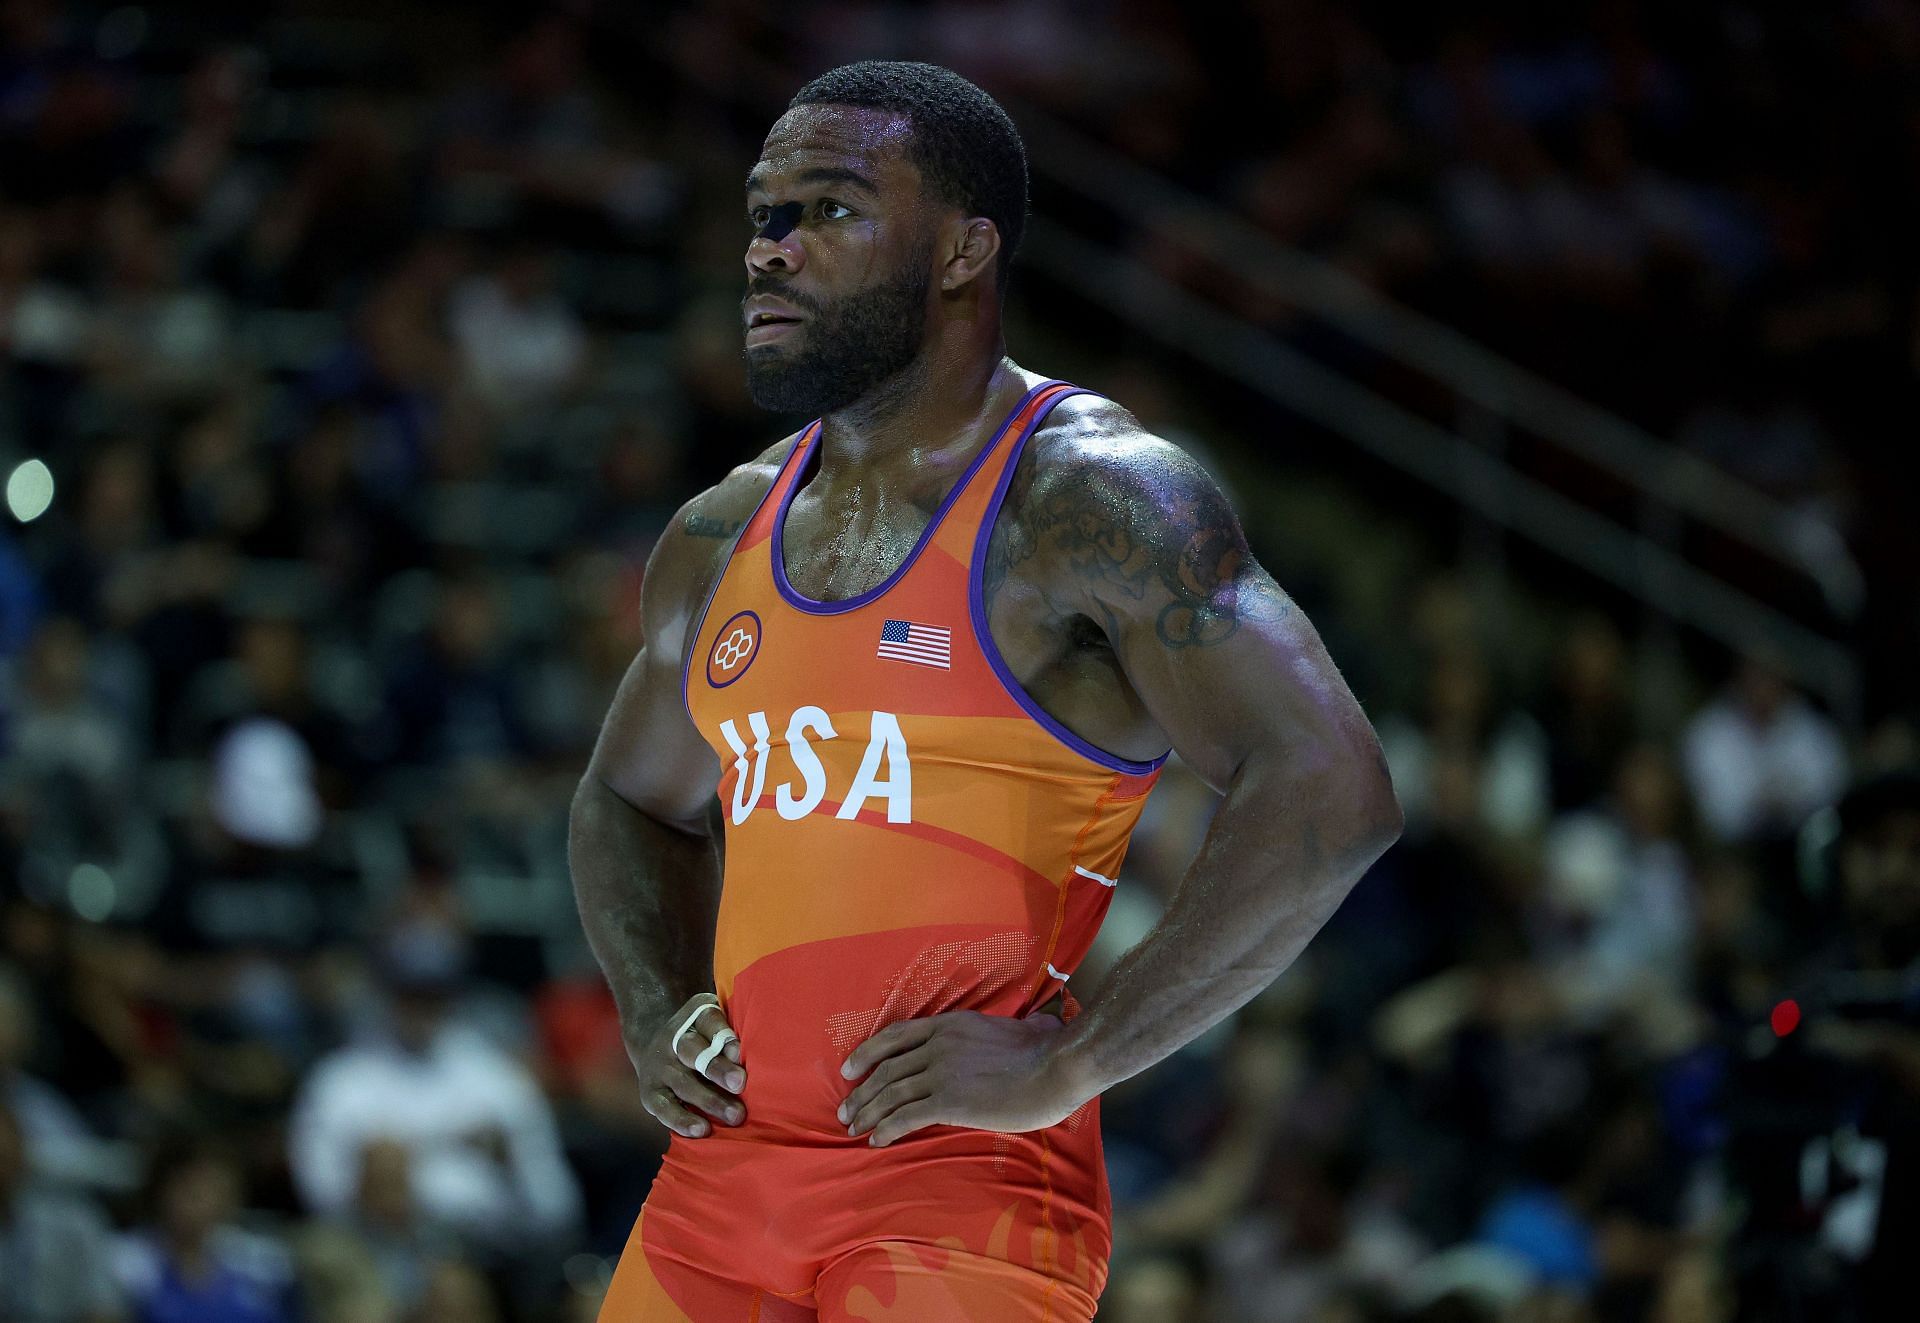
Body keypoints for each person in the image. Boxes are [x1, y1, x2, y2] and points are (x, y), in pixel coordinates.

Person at [568, 60, 1402, 1321]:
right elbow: (630, 800)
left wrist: (1078, 1055)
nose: (771, 250)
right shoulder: (719, 533)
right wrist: (652, 1003)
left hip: (961, 1188)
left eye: (830, 209)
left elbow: (1331, 792)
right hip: (720, 1183)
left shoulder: (1091, 500)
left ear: (964, 251)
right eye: (762, 214)